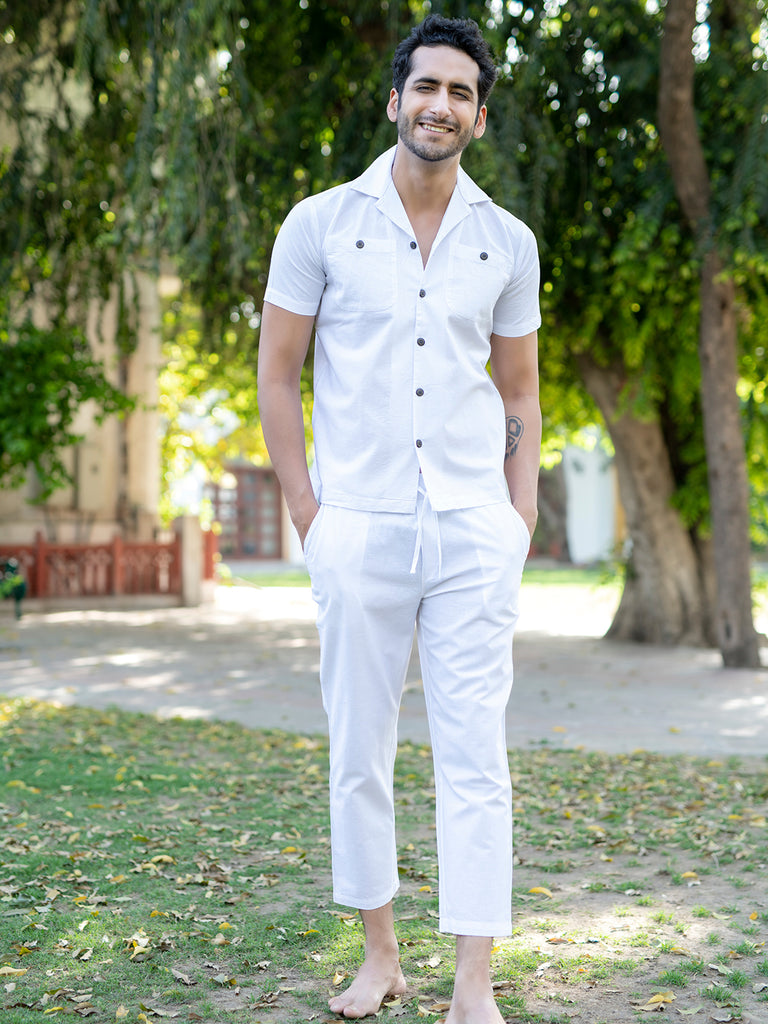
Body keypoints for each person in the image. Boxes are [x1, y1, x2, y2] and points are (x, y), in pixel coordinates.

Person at [257, 14, 541, 1023]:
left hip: (473, 529)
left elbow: (520, 390)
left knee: (476, 760)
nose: (442, 105)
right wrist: (308, 511)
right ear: (396, 100)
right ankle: (380, 957)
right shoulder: (319, 224)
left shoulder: (508, 242)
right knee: (358, 756)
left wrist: (519, 517)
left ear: (479, 116)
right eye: (428, 86)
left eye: (462, 92)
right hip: (359, 524)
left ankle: (474, 983)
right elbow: (278, 375)